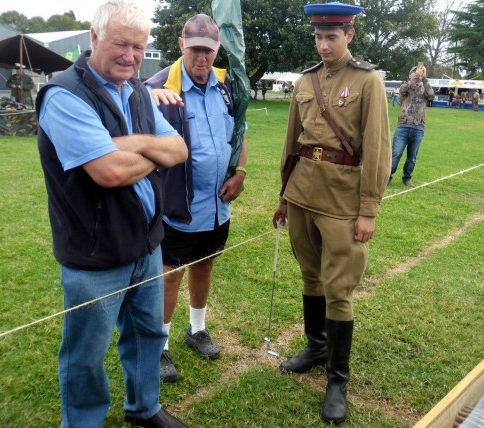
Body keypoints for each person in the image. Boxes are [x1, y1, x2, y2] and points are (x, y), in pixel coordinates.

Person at [36, 1, 189, 427]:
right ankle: (83, 422)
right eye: (121, 43)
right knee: (86, 351)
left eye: (139, 47)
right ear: (94, 37)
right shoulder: (65, 94)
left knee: (149, 333)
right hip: (94, 250)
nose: (130, 56)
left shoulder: (138, 90)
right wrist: (150, 150)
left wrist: (132, 145)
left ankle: (145, 408)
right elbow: (107, 171)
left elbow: (178, 149)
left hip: (146, 242)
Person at [271, 2, 391, 425]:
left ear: (350, 34)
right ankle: (316, 346)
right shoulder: (304, 81)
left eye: (332, 37)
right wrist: (284, 196)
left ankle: (337, 379)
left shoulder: (368, 80)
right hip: (303, 191)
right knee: (310, 275)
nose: (324, 45)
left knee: (339, 289)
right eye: (319, 37)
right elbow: (291, 141)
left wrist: (369, 209)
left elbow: (377, 147)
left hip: (342, 200)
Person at [144, 13, 247, 384]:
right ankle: (159, 346)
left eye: (208, 51)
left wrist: (240, 172)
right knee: (170, 276)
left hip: (218, 206)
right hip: (177, 208)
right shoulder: (158, 88)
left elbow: (240, 133)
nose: (202, 58)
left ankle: (196, 329)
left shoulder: (227, 86)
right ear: (181, 46)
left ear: (216, 50)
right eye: (195, 50)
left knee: (204, 266)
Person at [389, 64, 435, 188]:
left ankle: (407, 178)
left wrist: (424, 78)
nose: (419, 74)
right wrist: (416, 77)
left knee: (412, 157)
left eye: (420, 72)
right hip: (403, 126)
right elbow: (404, 89)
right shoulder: (405, 87)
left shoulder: (424, 89)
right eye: (415, 72)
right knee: (396, 154)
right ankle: (387, 176)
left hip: (418, 127)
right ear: (410, 75)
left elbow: (430, 94)